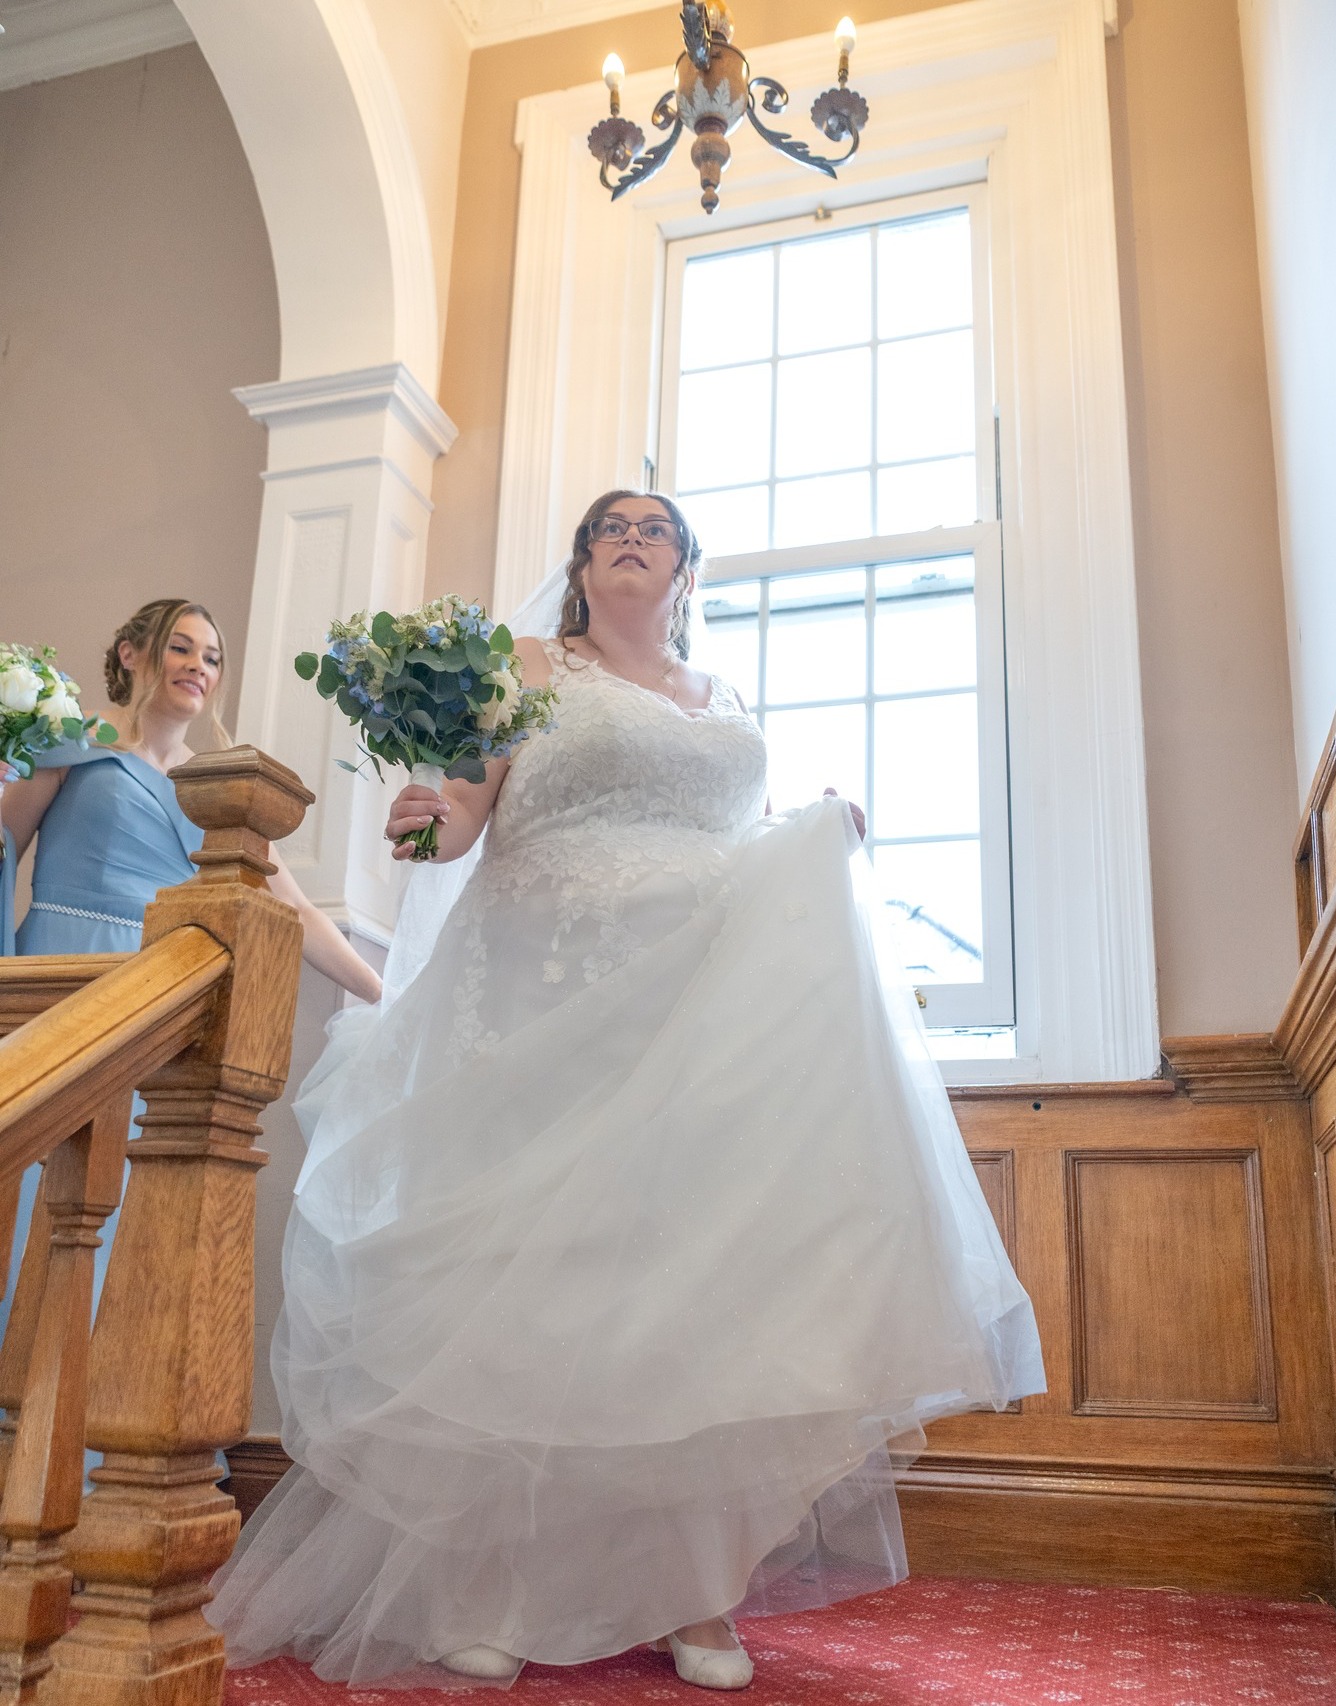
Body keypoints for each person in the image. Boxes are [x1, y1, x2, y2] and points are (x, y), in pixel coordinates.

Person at [207, 492, 1045, 1692]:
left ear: (688, 569)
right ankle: (488, 1581)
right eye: (611, 526)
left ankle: (697, 1592)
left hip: (696, 1027)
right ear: (583, 563)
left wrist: (819, 832)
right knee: (535, 1283)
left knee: (692, 1294)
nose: (633, 536)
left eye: (657, 528)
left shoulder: (730, 701)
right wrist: (422, 818)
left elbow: (741, 844)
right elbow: (458, 818)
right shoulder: (528, 667)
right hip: (541, 1010)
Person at [0, 597, 382, 1321]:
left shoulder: (218, 789)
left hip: (157, 999)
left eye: (211, 658)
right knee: (39, 1172)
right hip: (66, 969)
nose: (197, 668)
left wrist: (379, 992)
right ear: (131, 655)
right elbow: (1, 845)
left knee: (113, 1189)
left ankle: (78, 1409)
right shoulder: (74, 745)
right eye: (181, 648)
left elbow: (294, 909)